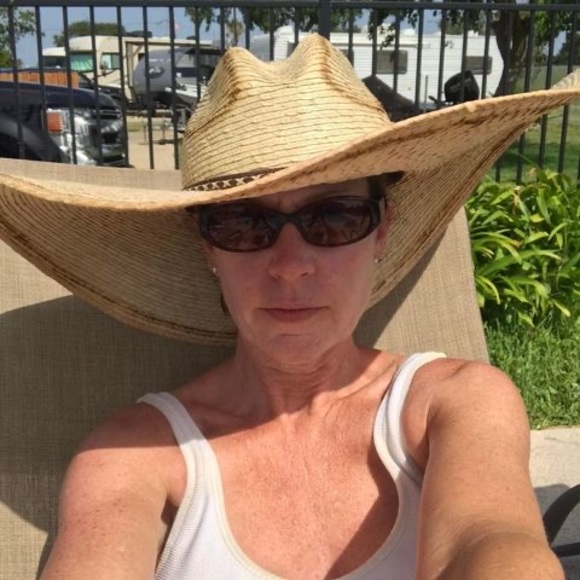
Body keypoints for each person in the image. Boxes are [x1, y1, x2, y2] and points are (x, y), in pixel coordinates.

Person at [1, 34, 579, 580]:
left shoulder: (455, 403)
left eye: (334, 217)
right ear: (208, 246)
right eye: (244, 223)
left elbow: (489, 540)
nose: (291, 264)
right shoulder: (132, 454)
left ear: (382, 230)